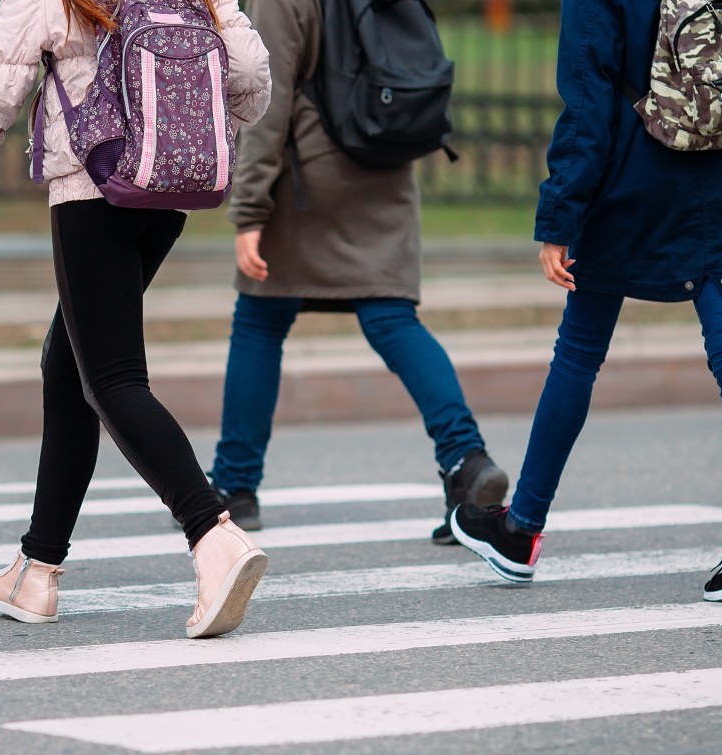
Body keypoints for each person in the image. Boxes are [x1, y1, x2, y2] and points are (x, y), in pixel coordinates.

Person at [0, 0, 273, 637]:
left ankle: (211, 532)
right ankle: (36, 569)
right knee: (67, 365)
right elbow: (251, 78)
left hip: (94, 185)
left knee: (112, 378)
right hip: (169, 188)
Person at [447, 0, 722, 603]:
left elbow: (587, 104)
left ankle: (521, 530)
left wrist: (560, 215)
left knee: (578, 351)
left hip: (634, 181)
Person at [207, 0, 508, 538]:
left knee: (258, 320)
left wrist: (249, 208)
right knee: (393, 320)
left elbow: (265, 103)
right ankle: (466, 459)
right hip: (386, 163)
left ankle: (235, 485)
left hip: (309, 182)